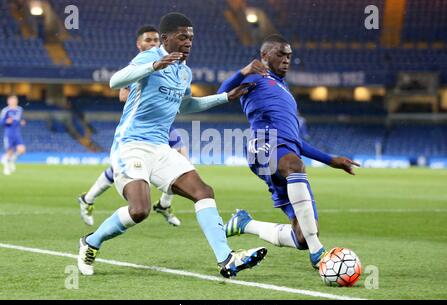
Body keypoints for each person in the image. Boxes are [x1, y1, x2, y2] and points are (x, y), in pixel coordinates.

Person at [77, 12, 267, 278]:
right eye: (182, 36)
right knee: (140, 209)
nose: (189, 41)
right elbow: (115, 81)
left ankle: (226, 259)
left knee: (203, 191)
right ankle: (91, 242)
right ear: (165, 39)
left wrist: (225, 97)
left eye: (191, 37)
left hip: (160, 147)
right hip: (131, 144)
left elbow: (187, 105)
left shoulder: (184, 72)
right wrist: (155, 65)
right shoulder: (149, 57)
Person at [217, 34, 360, 269]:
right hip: (264, 144)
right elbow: (221, 94)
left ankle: (245, 224)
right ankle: (318, 253)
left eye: (289, 56)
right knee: (294, 165)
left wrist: (330, 160)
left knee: (303, 235)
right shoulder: (256, 76)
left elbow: (296, 142)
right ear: (264, 56)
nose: (286, 60)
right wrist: (242, 72)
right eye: (281, 54)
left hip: (285, 151)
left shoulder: (285, 90)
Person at [78, 26, 184, 227]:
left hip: (161, 123)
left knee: (181, 156)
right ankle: (88, 199)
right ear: (139, 44)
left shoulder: (168, 62)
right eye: (148, 40)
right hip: (140, 125)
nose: (152, 44)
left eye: (155, 40)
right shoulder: (138, 64)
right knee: (124, 168)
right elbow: (122, 94)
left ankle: (164, 203)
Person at [1, 95, 26, 175]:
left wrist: (22, 122)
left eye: (14, 100)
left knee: (22, 150)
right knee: (9, 152)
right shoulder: (5, 110)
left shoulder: (20, 109)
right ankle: (6, 168)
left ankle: (12, 160)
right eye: (11, 100)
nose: (13, 101)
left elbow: (22, 119)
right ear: (8, 101)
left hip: (17, 133)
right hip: (9, 134)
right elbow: (1, 122)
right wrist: (6, 121)